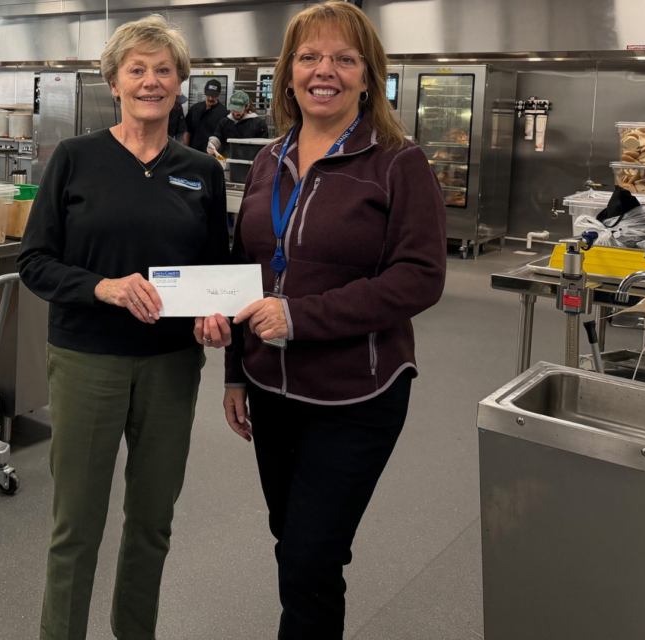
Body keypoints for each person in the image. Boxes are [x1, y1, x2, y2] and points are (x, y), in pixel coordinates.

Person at [195, 2, 447, 637]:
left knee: (311, 556)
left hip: (356, 393)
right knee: (293, 540)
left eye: (343, 58)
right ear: (288, 74)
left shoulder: (398, 162)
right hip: (270, 389)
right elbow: (246, 271)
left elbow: (420, 276)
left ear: (368, 76)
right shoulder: (268, 159)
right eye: (308, 57)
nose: (324, 70)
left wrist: (300, 316)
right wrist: (234, 371)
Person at [17, 13, 229, 640]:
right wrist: (102, 287)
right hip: (88, 360)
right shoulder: (75, 159)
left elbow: (215, 271)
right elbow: (34, 262)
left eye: (164, 70)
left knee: (153, 521)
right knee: (76, 524)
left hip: (171, 366)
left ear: (180, 82)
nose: (150, 81)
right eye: (137, 69)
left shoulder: (203, 171)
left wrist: (214, 314)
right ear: (114, 82)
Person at [207, 90, 270, 157]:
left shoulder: (259, 124)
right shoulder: (224, 122)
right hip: (228, 160)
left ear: (247, 107)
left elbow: (264, 147)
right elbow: (217, 137)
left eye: (239, 109)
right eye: (233, 109)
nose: (235, 113)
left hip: (250, 160)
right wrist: (212, 144)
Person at [183, 77, 226, 153]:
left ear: (220, 93)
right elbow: (187, 130)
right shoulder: (195, 108)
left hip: (211, 155)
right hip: (193, 152)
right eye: (208, 95)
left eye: (214, 95)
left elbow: (223, 138)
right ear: (204, 91)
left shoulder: (224, 113)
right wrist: (185, 149)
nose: (210, 98)